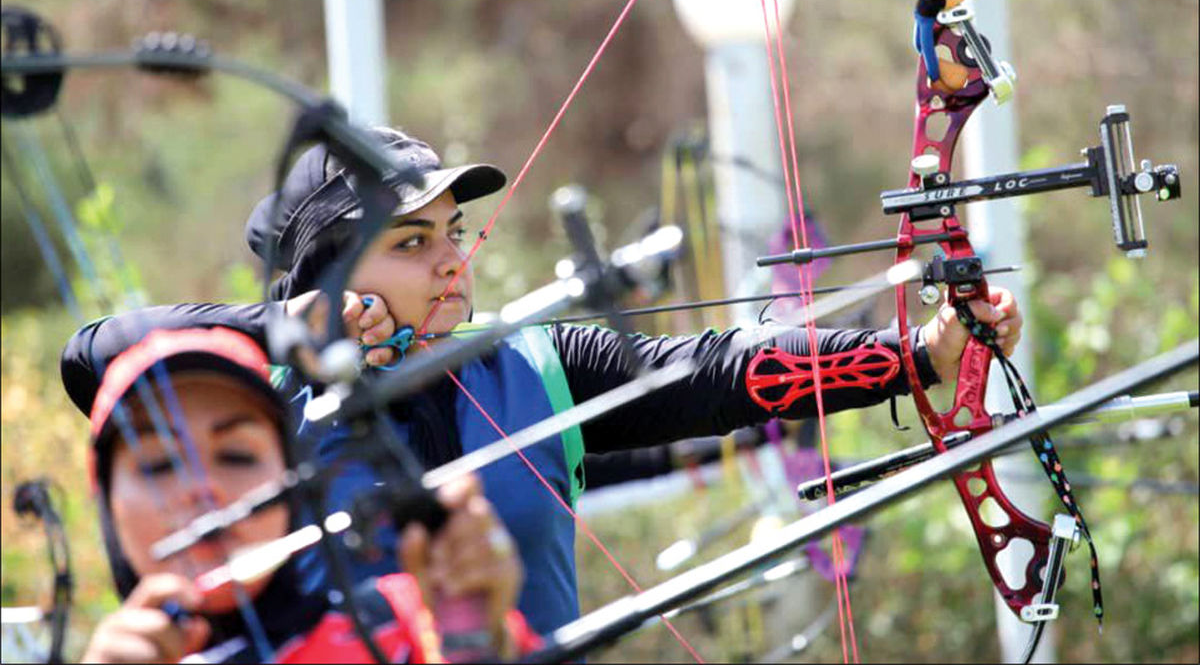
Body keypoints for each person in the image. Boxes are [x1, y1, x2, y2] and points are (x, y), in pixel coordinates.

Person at [62, 127, 1024, 635]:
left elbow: (715, 373)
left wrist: (921, 353)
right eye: (409, 243)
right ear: (329, 275)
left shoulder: (532, 362)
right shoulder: (250, 406)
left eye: (453, 237)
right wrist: (293, 332)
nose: (453, 264)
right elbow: (91, 351)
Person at [80, 326, 538, 663]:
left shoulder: (409, 622)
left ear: (290, 480)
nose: (204, 489)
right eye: (159, 464)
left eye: (237, 456)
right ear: (105, 500)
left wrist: (469, 633)